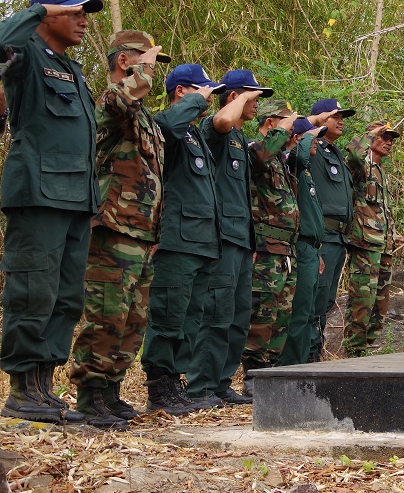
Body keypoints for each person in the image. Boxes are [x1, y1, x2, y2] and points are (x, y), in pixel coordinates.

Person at [0, 0, 103, 424]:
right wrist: (37, 9)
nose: (83, 20)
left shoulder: (72, 69)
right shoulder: (23, 57)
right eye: (74, 11)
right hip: (39, 193)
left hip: (77, 198)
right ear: (46, 14)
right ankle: (22, 387)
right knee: (32, 290)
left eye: (86, 13)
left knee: (65, 298)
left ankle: (43, 388)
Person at [68, 31, 175, 428]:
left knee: (133, 318)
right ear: (125, 61)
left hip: (144, 231)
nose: (152, 72)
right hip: (114, 226)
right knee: (107, 313)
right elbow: (123, 98)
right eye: (145, 61)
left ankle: (110, 388)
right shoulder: (112, 100)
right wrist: (141, 70)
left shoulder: (143, 115)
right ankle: (89, 393)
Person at [140, 64, 227, 414]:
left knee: (192, 317)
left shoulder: (194, 136)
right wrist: (194, 102)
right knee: (169, 315)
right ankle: (158, 387)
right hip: (177, 240)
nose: (208, 97)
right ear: (181, 92)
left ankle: (175, 383)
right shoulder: (170, 127)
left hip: (202, 241)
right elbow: (165, 127)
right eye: (203, 90)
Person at [185, 69, 269, 405]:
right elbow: (220, 120)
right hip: (220, 237)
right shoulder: (215, 131)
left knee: (237, 315)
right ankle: (201, 384)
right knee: (216, 313)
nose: (257, 103)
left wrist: (250, 241)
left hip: (240, 238)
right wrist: (237, 100)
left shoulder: (239, 139)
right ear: (233, 97)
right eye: (252, 96)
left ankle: (220, 381)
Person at [242, 100, 301, 382]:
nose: (290, 128)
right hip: (266, 248)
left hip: (285, 249)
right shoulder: (257, 150)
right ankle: (253, 375)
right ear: (270, 123)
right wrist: (281, 133)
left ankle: (271, 372)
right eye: (285, 122)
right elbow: (261, 157)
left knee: (282, 314)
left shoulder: (279, 159)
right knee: (262, 312)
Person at [343, 121, 402, 356]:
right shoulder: (361, 167)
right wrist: (369, 135)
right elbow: (354, 156)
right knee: (361, 302)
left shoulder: (380, 172)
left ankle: (367, 350)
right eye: (383, 136)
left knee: (380, 305)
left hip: (383, 246)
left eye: (391, 138)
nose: (388, 142)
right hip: (365, 245)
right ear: (371, 138)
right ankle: (353, 353)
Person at [278, 116, 330, 366]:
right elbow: (297, 156)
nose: (317, 143)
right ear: (298, 138)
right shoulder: (292, 163)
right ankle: (289, 365)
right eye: (313, 139)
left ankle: (301, 363)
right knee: (298, 311)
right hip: (299, 246)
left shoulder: (306, 173)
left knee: (309, 311)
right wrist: (311, 130)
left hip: (310, 248)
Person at [308, 98, 356, 359]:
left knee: (326, 298)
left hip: (339, 238)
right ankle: (310, 353)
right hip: (322, 235)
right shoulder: (313, 149)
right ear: (319, 119)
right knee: (316, 295)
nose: (340, 121)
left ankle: (315, 349)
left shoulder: (336, 152)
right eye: (335, 116)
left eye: (342, 117)